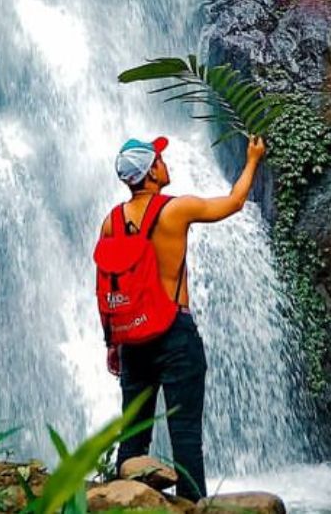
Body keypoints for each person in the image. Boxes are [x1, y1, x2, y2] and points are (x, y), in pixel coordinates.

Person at [98, 134, 266, 502]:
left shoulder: (111, 222)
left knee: (134, 433)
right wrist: (253, 158)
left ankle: (119, 506)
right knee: (186, 434)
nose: (164, 163)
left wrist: (113, 344)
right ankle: (193, 507)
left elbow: (107, 287)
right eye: (159, 159)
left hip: (132, 339)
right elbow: (235, 202)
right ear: (152, 172)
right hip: (175, 333)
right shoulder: (176, 210)